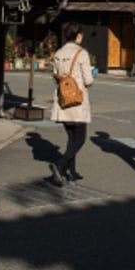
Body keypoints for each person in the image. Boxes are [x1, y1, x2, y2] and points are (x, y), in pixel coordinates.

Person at [47, 21, 94, 186]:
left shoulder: (59, 53)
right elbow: (88, 80)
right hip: (77, 100)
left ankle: (71, 172)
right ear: (78, 35)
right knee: (80, 139)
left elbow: (55, 75)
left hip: (63, 99)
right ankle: (60, 166)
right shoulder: (82, 53)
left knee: (71, 138)